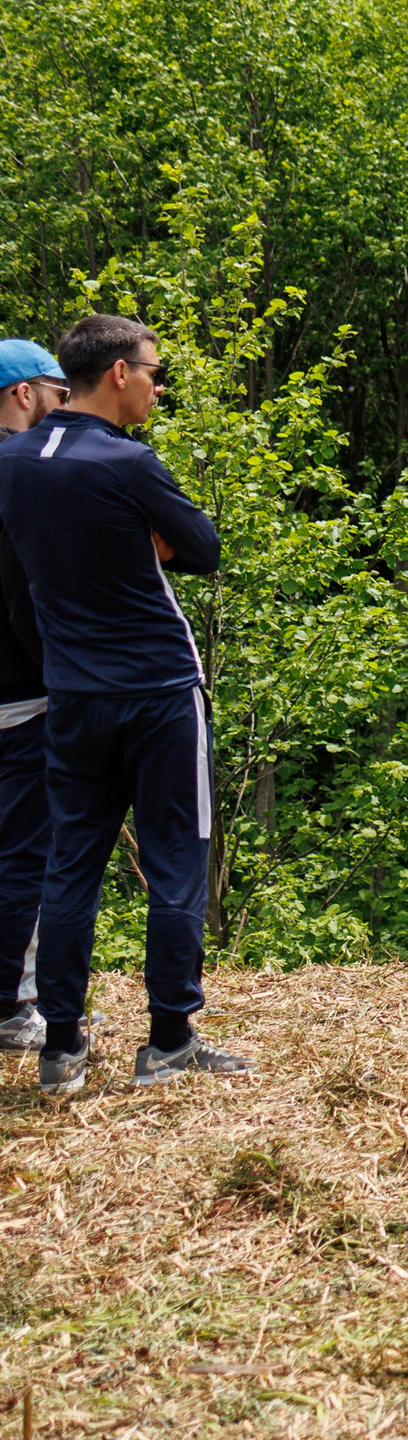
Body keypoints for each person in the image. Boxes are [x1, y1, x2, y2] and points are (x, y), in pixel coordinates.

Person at [0, 315, 241, 1097]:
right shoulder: (129, 463)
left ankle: (60, 1045)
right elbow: (203, 549)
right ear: (115, 375)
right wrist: (152, 534)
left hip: (71, 694)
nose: (157, 385)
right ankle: (169, 1038)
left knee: (71, 865)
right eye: (152, 371)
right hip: (158, 690)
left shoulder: (15, 462)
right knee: (175, 861)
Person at [0, 340, 67, 1054]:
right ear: (25, 393)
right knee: (24, 855)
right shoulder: (15, 473)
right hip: (21, 695)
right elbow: (22, 597)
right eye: (55, 389)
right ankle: (11, 1008)